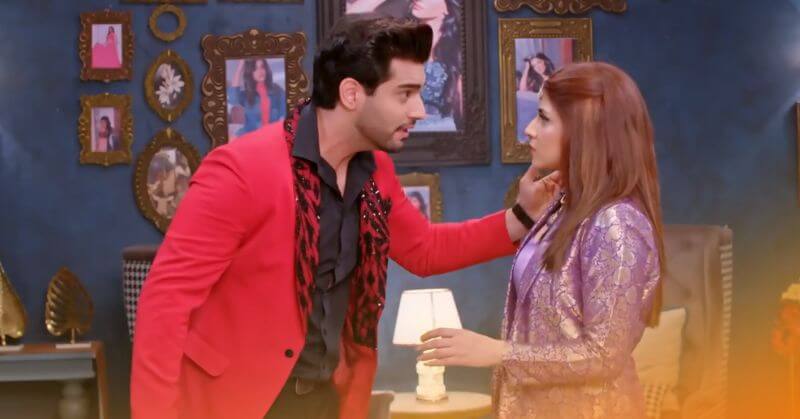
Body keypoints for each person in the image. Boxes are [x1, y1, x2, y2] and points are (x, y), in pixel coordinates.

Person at [131, 14, 550, 419]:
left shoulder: (376, 171)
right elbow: (165, 304)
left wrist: (522, 215)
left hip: (326, 398)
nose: (420, 109)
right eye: (404, 94)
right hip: (236, 401)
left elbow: (424, 249)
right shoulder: (240, 170)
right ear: (351, 94)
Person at [417, 62, 666, 419]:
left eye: (544, 118)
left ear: (586, 131)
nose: (529, 130)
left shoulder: (617, 222)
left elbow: (604, 356)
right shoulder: (561, 206)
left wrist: (497, 352)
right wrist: (525, 212)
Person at [227, 58, 287, 138]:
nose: (260, 71)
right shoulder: (246, 94)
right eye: (255, 69)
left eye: (262, 67)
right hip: (250, 136)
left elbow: (285, 113)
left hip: (272, 136)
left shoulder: (277, 90)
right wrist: (240, 68)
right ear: (250, 73)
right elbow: (233, 99)